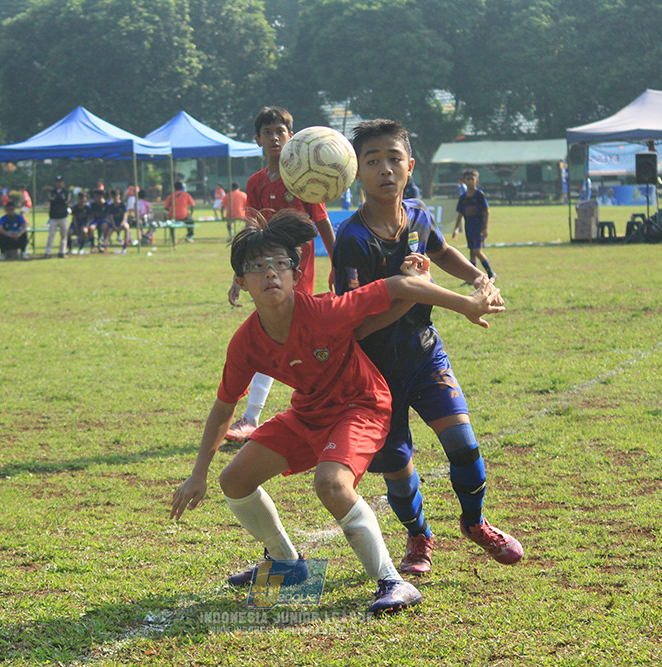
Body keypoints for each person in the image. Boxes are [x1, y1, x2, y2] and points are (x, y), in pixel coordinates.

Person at [170, 208, 506, 614]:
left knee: (331, 483)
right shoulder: (245, 343)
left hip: (361, 405)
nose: (270, 273)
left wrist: (466, 303)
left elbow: (398, 285)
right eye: (257, 267)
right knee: (234, 480)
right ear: (241, 283)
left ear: (296, 275)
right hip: (309, 412)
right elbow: (224, 406)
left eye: (280, 264)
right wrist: (198, 474)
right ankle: (288, 566)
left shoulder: (325, 311)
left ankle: (393, 582)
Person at [333, 119, 523, 576]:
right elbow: (353, 328)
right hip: (375, 374)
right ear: (357, 172)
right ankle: (419, 537)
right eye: (372, 161)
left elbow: (441, 251)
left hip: (424, 354)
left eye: (394, 159)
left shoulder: (418, 213)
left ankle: (475, 523)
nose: (385, 169)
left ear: (410, 165)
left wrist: (477, 277)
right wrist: (410, 291)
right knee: (397, 465)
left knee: (464, 446)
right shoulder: (351, 240)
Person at [223, 106, 337, 445]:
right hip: (263, 269)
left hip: (295, 269)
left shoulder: (302, 176)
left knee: (284, 336)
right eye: (268, 132)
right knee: (276, 336)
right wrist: (238, 273)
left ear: (292, 135)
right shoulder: (256, 182)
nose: (275, 137)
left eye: (281, 131)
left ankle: (261, 416)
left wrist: (340, 263)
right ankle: (256, 417)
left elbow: (322, 222)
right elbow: (251, 228)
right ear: (257, 139)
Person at [453, 169, 496, 279]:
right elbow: (460, 214)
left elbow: (487, 211)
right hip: (469, 228)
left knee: (477, 251)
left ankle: (490, 273)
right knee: (472, 253)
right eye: (468, 179)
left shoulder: (479, 195)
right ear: (464, 181)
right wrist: (456, 229)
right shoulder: (463, 198)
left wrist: (485, 228)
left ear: (476, 181)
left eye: (472, 179)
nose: (470, 181)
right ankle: (472, 278)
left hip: (478, 228)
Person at [45, 176, 70, 258]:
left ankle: (62, 252)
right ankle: (48, 252)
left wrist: (58, 199)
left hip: (63, 216)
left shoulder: (66, 192)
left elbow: (66, 201)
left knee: (64, 236)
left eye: (60, 182)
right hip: (54, 217)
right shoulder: (52, 192)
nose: (59, 183)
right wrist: (60, 199)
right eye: (57, 182)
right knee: (51, 236)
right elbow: (52, 199)